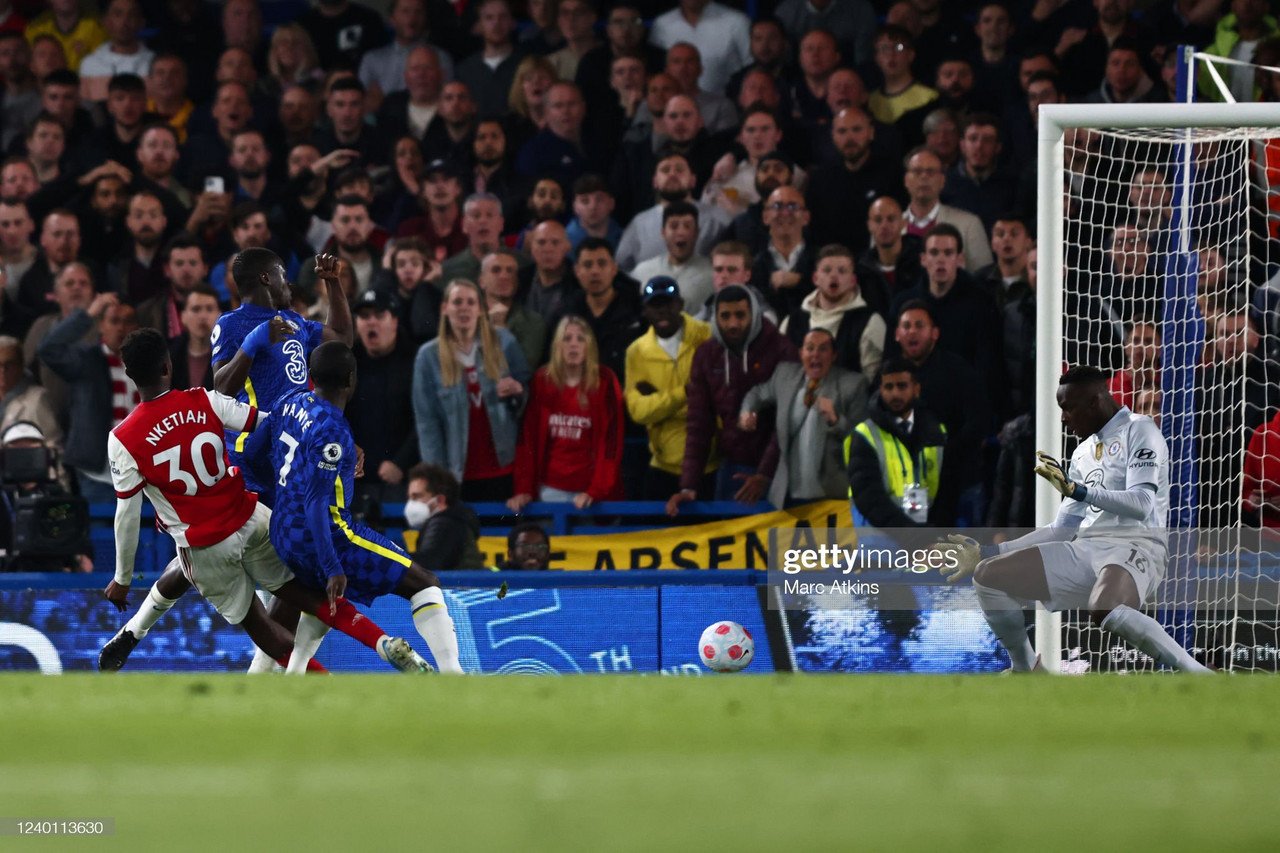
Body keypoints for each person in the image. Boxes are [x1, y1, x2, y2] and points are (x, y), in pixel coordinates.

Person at [100, 328, 432, 674]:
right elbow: (273, 424)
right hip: (250, 517)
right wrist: (338, 444)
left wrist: (122, 578)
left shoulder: (122, 439)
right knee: (309, 595)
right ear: (168, 366)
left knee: (261, 627)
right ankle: (382, 642)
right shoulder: (204, 400)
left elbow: (126, 514)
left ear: (130, 374)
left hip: (204, 544)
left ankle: (327, 683)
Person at [936, 366, 1212, 674]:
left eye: (1068, 408)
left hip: (1138, 546)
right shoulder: (1081, 453)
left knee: (1105, 607)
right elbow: (1062, 529)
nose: (1064, 418)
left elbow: (1142, 504)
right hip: (1087, 549)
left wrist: (1081, 491)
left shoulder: (1140, 429)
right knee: (988, 575)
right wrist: (988, 552)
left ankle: (1200, 674)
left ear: (1094, 402)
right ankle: (1026, 670)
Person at [269, 342, 465, 673]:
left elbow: (264, 447)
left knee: (317, 600)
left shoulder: (291, 401)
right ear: (351, 380)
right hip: (329, 536)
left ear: (311, 377)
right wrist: (332, 565)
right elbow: (317, 502)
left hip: (283, 530)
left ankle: (293, 674)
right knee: (425, 583)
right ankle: (455, 676)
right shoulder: (333, 431)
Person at [210, 249, 353, 504]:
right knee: (258, 539)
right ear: (266, 278)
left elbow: (342, 339)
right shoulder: (230, 323)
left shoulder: (293, 321)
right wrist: (252, 344)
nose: (288, 283)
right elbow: (221, 388)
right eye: (282, 275)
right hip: (250, 455)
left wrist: (332, 283)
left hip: (290, 448)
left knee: (289, 537)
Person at [667, 284, 797, 514]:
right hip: (733, 466)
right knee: (731, 544)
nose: (733, 323)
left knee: (780, 545)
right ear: (715, 317)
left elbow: (787, 420)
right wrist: (688, 485)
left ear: (754, 314)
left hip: (781, 470)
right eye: (725, 316)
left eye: (740, 315)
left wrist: (764, 474)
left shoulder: (781, 349)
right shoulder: (707, 355)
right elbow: (699, 423)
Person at [412, 278, 531, 501]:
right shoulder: (428, 357)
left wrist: (519, 390)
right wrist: (438, 481)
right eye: (457, 302)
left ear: (480, 308)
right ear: (445, 308)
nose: (464, 308)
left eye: (470, 302)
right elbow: (427, 424)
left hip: (506, 467)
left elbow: (527, 391)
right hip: (457, 475)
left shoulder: (504, 342)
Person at [739, 328, 868, 507]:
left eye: (823, 349)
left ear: (834, 355)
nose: (815, 354)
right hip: (787, 495)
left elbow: (862, 442)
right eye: (810, 348)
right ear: (801, 353)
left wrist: (836, 420)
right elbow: (757, 393)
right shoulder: (784, 375)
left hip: (831, 496)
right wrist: (747, 411)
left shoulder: (853, 385)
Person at [509, 315, 624, 511]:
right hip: (548, 488)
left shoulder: (604, 381)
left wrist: (596, 490)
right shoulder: (542, 380)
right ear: (557, 346)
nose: (573, 345)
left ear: (589, 346)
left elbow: (611, 441)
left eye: (580, 339)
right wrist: (524, 488)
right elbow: (528, 438)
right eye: (567, 338)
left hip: (591, 494)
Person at [625, 276, 714, 500]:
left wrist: (661, 407)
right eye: (655, 305)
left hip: (710, 463)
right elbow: (638, 411)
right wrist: (685, 393)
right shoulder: (636, 352)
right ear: (645, 310)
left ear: (680, 305)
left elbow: (714, 399)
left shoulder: (706, 337)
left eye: (668, 303)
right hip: (663, 465)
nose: (662, 311)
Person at [846, 358, 947, 527]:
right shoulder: (865, 435)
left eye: (902, 386)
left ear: (916, 389)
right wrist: (914, 537)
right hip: (880, 545)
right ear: (880, 389)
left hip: (923, 542)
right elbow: (870, 498)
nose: (895, 394)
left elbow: (945, 490)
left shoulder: (936, 432)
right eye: (888, 387)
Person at [405, 462, 484, 570]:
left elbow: (428, 563)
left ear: (440, 500)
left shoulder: (445, 524)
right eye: (410, 498)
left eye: (417, 496)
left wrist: (391, 557)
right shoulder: (454, 520)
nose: (411, 503)